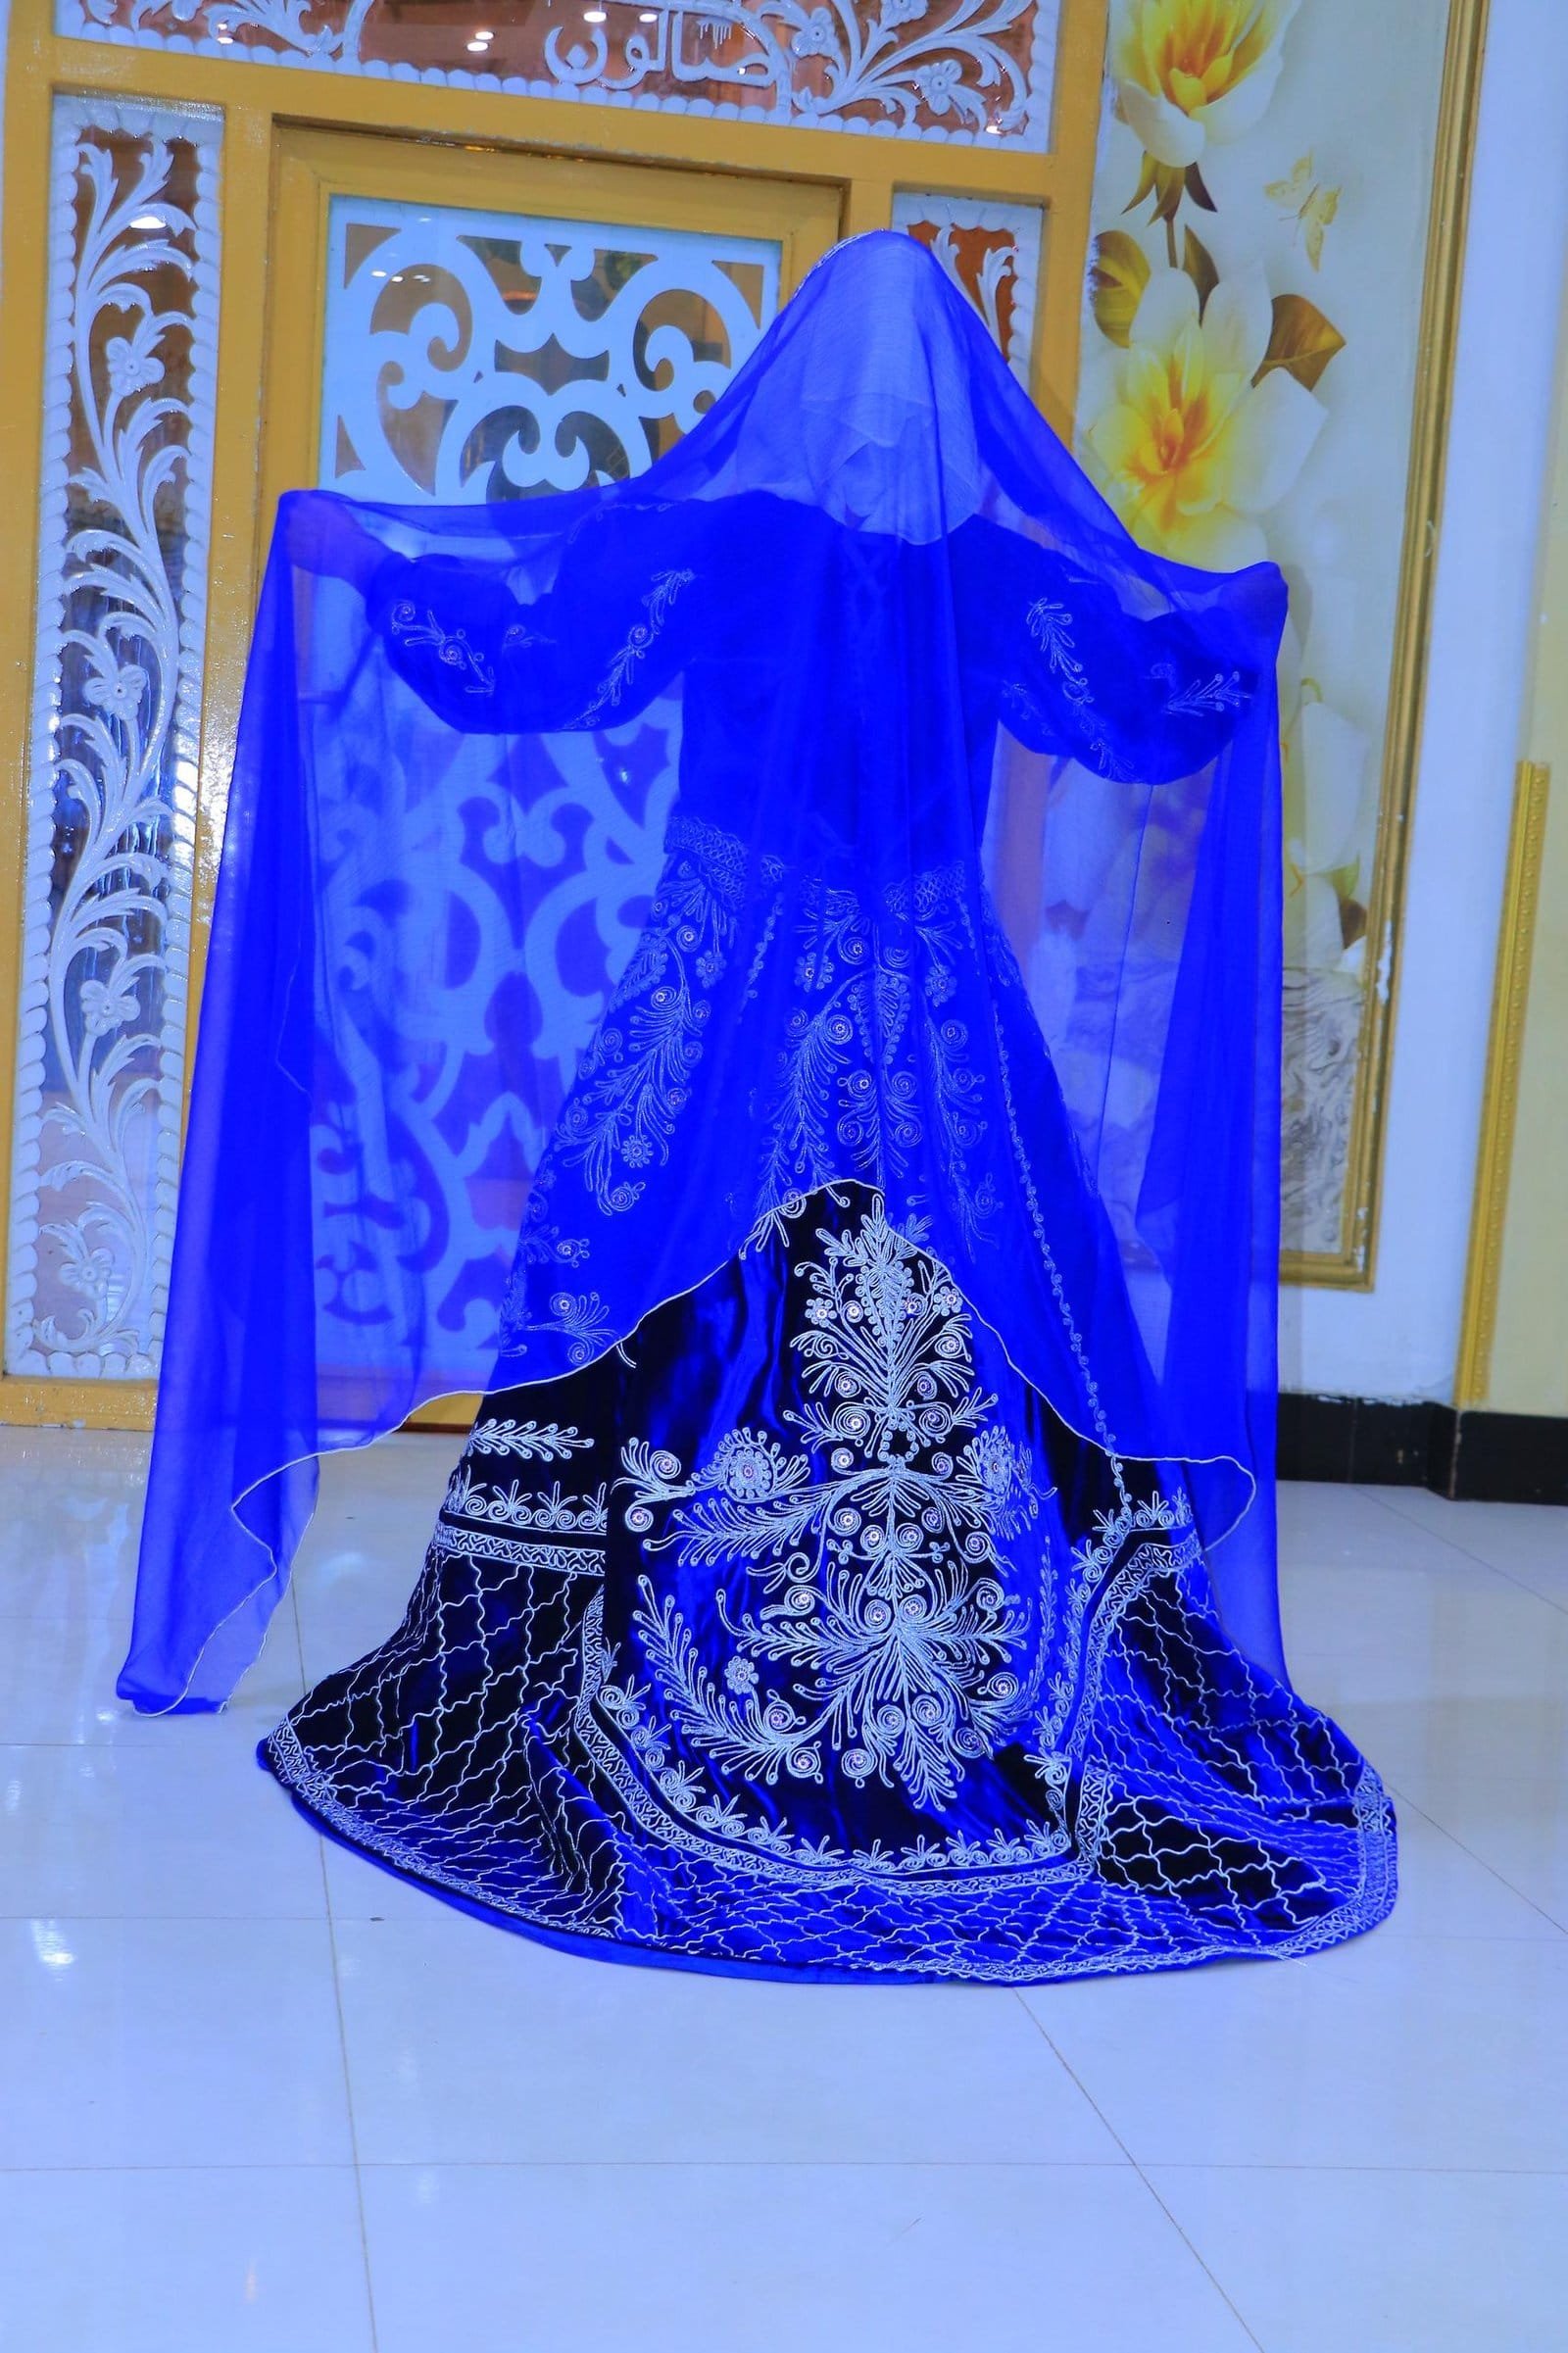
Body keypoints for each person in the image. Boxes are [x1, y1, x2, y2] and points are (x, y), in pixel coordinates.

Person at [120, 232, 1395, 1982]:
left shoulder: (739, 551)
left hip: (716, 1015)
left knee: (664, 1293)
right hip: (933, 1030)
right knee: (987, 1316)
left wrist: (370, 566)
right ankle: (981, 1703)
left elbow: (525, 652)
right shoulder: (975, 580)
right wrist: (1237, 626)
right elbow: (1149, 695)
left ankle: (696, 1690)